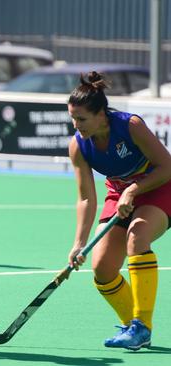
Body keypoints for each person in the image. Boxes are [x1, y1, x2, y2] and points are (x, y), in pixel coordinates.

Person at [67, 72, 171, 351]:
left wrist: (134, 190)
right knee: (102, 268)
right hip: (119, 193)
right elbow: (87, 198)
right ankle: (133, 327)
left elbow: (166, 166)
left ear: (101, 114)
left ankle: (141, 325)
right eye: (73, 119)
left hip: (159, 188)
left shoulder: (131, 126)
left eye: (82, 119)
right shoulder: (78, 145)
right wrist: (79, 243)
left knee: (137, 238)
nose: (77, 126)